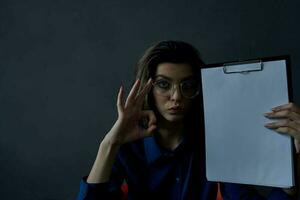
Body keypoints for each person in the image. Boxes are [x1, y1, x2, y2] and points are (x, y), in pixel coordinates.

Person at [77, 40, 300, 200]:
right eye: (164, 84)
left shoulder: (218, 145)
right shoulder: (128, 148)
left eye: (187, 85)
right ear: (148, 89)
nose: (176, 97)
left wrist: (292, 176)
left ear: (199, 89)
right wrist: (110, 143)